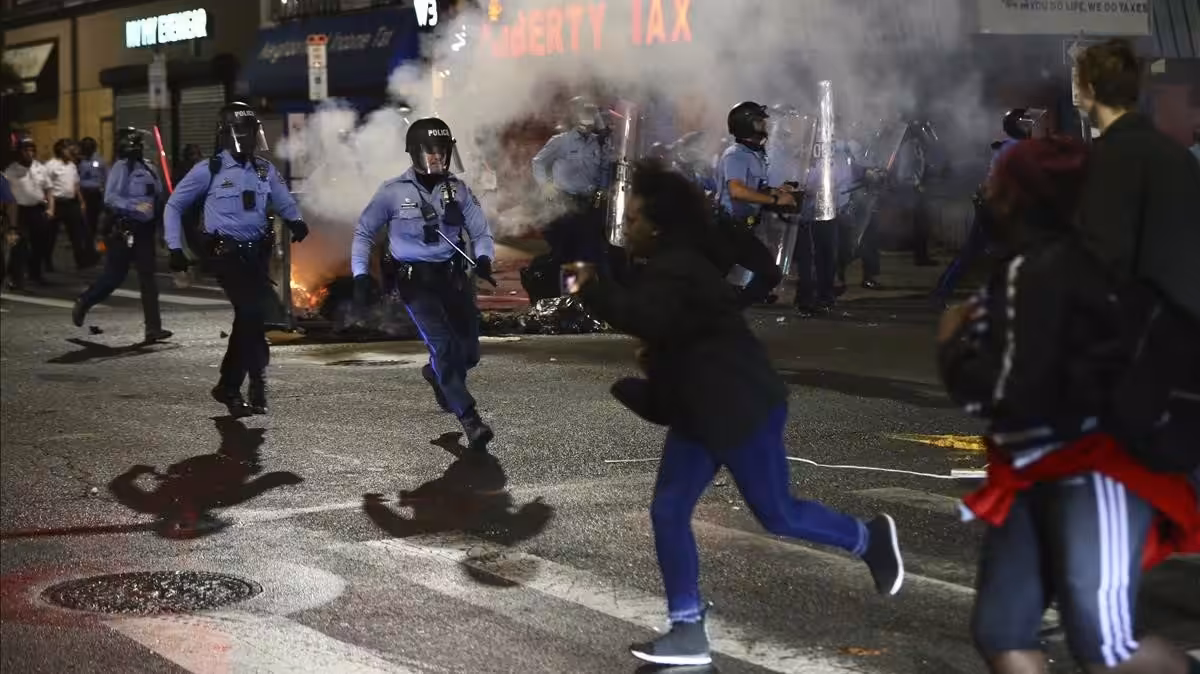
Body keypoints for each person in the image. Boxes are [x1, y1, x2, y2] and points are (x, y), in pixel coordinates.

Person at [571, 159, 904, 667]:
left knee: (778, 514)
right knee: (668, 511)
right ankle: (687, 629)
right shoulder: (668, 266)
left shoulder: (676, 267)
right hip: (702, 412)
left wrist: (591, 287)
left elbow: (649, 318)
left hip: (737, 408)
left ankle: (869, 538)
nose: (628, 227)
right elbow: (669, 345)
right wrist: (639, 389)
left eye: (634, 218)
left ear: (657, 224)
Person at [938, 135, 1200, 674]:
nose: (989, 192)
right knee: (1002, 630)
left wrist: (953, 350)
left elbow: (1015, 394)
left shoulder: (1042, 270)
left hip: (1093, 467)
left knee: (1107, 647)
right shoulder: (1054, 262)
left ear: (1022, 195)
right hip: (1033, 470)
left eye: (999, 182)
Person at [351, 117, 498, 451]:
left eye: (443, 151)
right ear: (415, 153)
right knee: (444, 348)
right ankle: (470, 419)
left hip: (454, 278)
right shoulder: (392, 192)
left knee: (469, 353)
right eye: (431, 152)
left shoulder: (457, 189)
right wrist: (361, 274)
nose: (438, 158)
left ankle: (436, 375)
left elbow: (480, 230)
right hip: (416, 284)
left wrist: (485, 258)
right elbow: (363, 232)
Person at [164, 102, 309, 418]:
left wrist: (296, 220)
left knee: (252, 320)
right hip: (226, 255)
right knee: (251, 312)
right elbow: (174, 206)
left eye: (250, 133)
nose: (246, 139)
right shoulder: (209, 170)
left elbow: (284, 201)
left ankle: (254, 382)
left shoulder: (264, 169)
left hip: (258, 254)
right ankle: (232, 385)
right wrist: (176, 247)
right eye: (240, 133)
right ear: (227, 135)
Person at [1074, 38, 1200, 322]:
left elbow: (1105, 258)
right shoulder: (1180, 157)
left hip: (1136, 337)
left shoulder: (1106, 159)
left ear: (1090, 91)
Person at [72, 128, 172, 343]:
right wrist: (135, 207)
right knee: (114, 277)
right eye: (134, 143)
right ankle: (85, 301)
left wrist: (163, 229)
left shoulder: (150, 167)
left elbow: (158, 198)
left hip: (145, 232)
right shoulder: (120, 168)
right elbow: (110, 199)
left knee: (148, 279)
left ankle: (153, 328)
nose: (138, 147)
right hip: (124, 229)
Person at [714, 101, 795, 307]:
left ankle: (729, 313)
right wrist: (775, 199)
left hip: (741, 229)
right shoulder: (736, 155)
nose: (764, 125)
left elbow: (756, 188)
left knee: (770, 274)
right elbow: (737, 190)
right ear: (746, 124)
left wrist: (778, 191)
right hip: (727, 229)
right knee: (710, 281)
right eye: (759, 121)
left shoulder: (755, 154)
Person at [531, 96, 612, 273]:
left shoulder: (599, 144)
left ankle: (584, 295)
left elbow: (605, 168)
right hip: (564, 204)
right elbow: (538, 162)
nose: (589, 116)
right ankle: (563, 295)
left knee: (589, 254)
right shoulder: (561, 141)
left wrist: (603, 189)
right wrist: (545, 185)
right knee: (564, 254)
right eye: (584, 111)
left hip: (589, 205)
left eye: (591, 112)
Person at [3, 136, 53, 288]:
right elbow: (7, 195)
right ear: (20, 152)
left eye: (32, 150)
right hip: (19, 211)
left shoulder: (41, 168)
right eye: (26, 150)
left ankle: (35, 274)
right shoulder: (11, 171)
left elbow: (49, 190)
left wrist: (51, 208)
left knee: (39, 244)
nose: (29, 153)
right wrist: (10, 221)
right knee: (19, 246)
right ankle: (15, 277)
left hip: (37, 209)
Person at [45, 138, 93, 271]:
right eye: (68, 148)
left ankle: (81, 261)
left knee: (76, 234)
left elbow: (76, 185)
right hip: (57, 203)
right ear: (60, 150)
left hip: (71, 204)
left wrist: (82, 201)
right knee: (50, 235)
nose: (71, 151)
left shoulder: (71, 165)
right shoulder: (51, 165)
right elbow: (46, 186)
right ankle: (47, 262)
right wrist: (49, 206)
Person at [77, 136, 107, 246]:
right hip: (83, 194)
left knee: (96, 220)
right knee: (84, 220)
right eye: (85, 147)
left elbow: (106, 177)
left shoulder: (100, 160)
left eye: (89, 147)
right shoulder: (79, 161)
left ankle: (96, 242)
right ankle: (86, 241)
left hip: (96, 194)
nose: (86, 149)